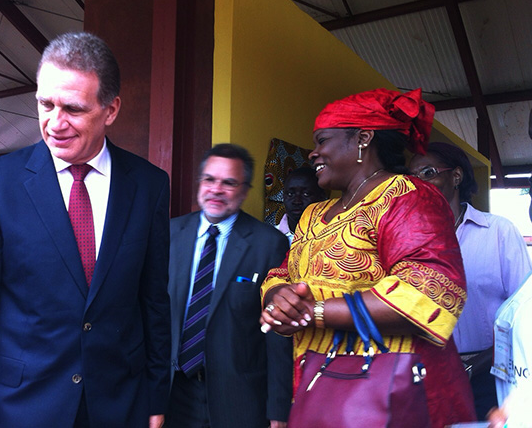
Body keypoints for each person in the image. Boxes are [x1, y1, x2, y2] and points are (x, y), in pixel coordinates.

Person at [0, 32, 171, 428]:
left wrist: (155, 398)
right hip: (21, 408)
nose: (54, 123)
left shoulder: (149, 186)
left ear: (111, 109)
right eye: (45, 104)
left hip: (120, 406)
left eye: (74, 109)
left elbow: (153, 302)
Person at [260, 88, 476, 428]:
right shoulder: (314, 213)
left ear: (362, 139)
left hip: (393, 397)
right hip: (319, 387)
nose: (314, 153)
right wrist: (277, 298)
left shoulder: (407, 198)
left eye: (322, 141)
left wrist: (310, 313)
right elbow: (283, 272)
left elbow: (428, 292)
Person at [166, 143, 293, 428]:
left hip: (241, 401)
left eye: (229, 183)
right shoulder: (169, 235)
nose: (216, 190)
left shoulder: (268, 243)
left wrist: (278, 411)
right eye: (210, 179)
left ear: (245, 190)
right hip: (173, 396)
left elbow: (277, 335)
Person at [409, 142, 532, 420]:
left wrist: (473, 366)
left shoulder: (498, 232)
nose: (418, 184)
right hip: (429, 376)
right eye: (412, 177)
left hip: (487, 375)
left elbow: (521, 317)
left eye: (428, 172)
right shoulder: (409, 240)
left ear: (456, 176)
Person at [276, 166, 327, 244]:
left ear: (322, 197)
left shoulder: (330, 237)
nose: (297, 201)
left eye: (306, 194)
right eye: (290, 194)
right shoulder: (270, 237)